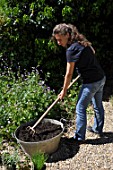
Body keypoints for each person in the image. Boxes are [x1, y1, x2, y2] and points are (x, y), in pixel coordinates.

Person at [52, 23, 106, 143]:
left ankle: (79, 137)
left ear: (67, 35)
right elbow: (93, 51)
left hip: (91, 82)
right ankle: (98, 129)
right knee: (97, 105)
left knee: (80, 108)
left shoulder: (71, 50)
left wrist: (64, 91)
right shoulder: (82, 42)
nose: (59, 43)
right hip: (101, 77)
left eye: (60, 39)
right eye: (57, 40)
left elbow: (69, 74)